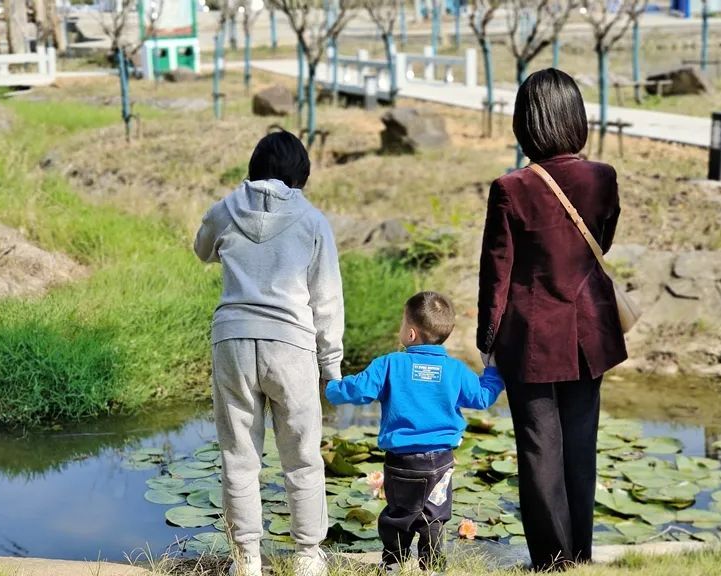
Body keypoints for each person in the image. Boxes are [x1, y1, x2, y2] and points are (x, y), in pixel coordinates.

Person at [476, 68, 628, 571]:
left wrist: (487, 338)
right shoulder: (602, 178)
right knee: (581, 446)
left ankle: (552, 562)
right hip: (590, 332)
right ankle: (581, 557)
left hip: (531, 337)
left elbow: (496, 272)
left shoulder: (510, 188)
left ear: (526, 123)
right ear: (575, 118)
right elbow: (601, 241)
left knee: (540, 452)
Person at [193, 131, 343, 576]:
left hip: (233, 341)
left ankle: (247, 559)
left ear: (253, 169)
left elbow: (202, 249)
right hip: (292, 345)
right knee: (301, 455)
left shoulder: (225, 209)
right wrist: (330, 364)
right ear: (301, 175)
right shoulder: (312, 220)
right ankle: (308, 554)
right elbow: (327, 298)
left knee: (239, 457)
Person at [324, 291, 504, 574]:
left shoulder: (390, 364)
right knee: (434, 516)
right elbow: (482, 397)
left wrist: (330, 387)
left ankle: (394, 564)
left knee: (398, 515)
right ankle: (430, 566)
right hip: (441, 461)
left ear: (410, 333)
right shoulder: (455, 370)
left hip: (402, 462)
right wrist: (493, 371)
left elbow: (357, 390)